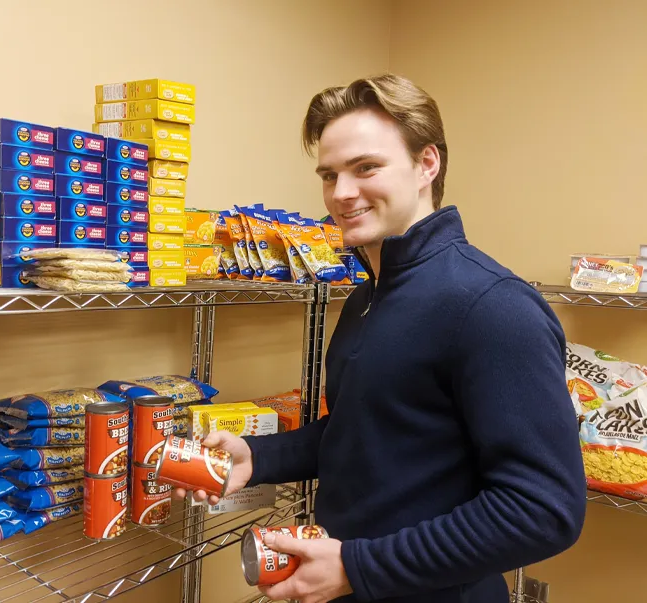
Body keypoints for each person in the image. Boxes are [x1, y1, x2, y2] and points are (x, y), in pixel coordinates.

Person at [175, 74, 586, 603]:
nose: (341, 193)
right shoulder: (366, 297)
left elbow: (543, 509)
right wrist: (257, 457)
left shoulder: (492, 306)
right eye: (330, 175)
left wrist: (359, 567)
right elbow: (367, 428)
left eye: (366, 167)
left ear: (426, 164)